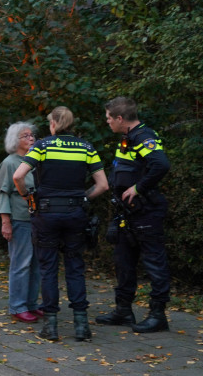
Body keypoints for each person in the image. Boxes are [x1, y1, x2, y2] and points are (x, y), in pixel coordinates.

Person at [13, 107, 108, 342]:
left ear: (54, 124)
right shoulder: (86, 147)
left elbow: (18, 176)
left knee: (48, 270)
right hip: (75, 213)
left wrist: (28, 197)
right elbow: (103, 185)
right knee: (75, 267)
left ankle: (51, 326)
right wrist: (83, 197)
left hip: (46, 214)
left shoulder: (43, 146)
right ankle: (81, 326)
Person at [98, 97, 173, 333]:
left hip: (145, 211)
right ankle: (123, 310)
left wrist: (138, 188)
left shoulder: (144, 136)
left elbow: (161, 164)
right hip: (127, 213)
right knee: (124, 262)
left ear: (120, 118)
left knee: (154, 263)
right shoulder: (128, 138)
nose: (107, 121)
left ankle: (158, 315)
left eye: (109, 117)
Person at [0, 122, 39, 322]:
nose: (31, 138)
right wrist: (6, 222)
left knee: (36, 264)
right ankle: (17, 306)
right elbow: (3, 194)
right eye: (26, 136)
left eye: (32, 135)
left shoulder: (35, 161)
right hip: (19, 220)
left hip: (37, 220)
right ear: (16, 140)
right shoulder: (10, 163)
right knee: (21, 263)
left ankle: (32, 303)